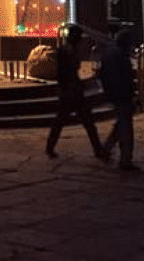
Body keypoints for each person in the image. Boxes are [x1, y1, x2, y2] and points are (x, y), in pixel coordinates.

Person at [45, 23, 108, 161]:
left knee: (73, 122)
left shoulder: (69, 49)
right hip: (70, 91)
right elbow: (64, 72)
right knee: (81, 122)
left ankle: (50, 147)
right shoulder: (66, 51)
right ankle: (97, 150)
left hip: (72, 90)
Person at [100, 29, 139, 171]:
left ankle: (106, 149)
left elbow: (103, 74)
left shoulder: (109, 54)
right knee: (126, 128)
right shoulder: (121, 56)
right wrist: (132, 95)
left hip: (114, 94)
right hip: (122, 95)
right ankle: (125, 160)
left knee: (121, 124)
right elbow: (127, 79)